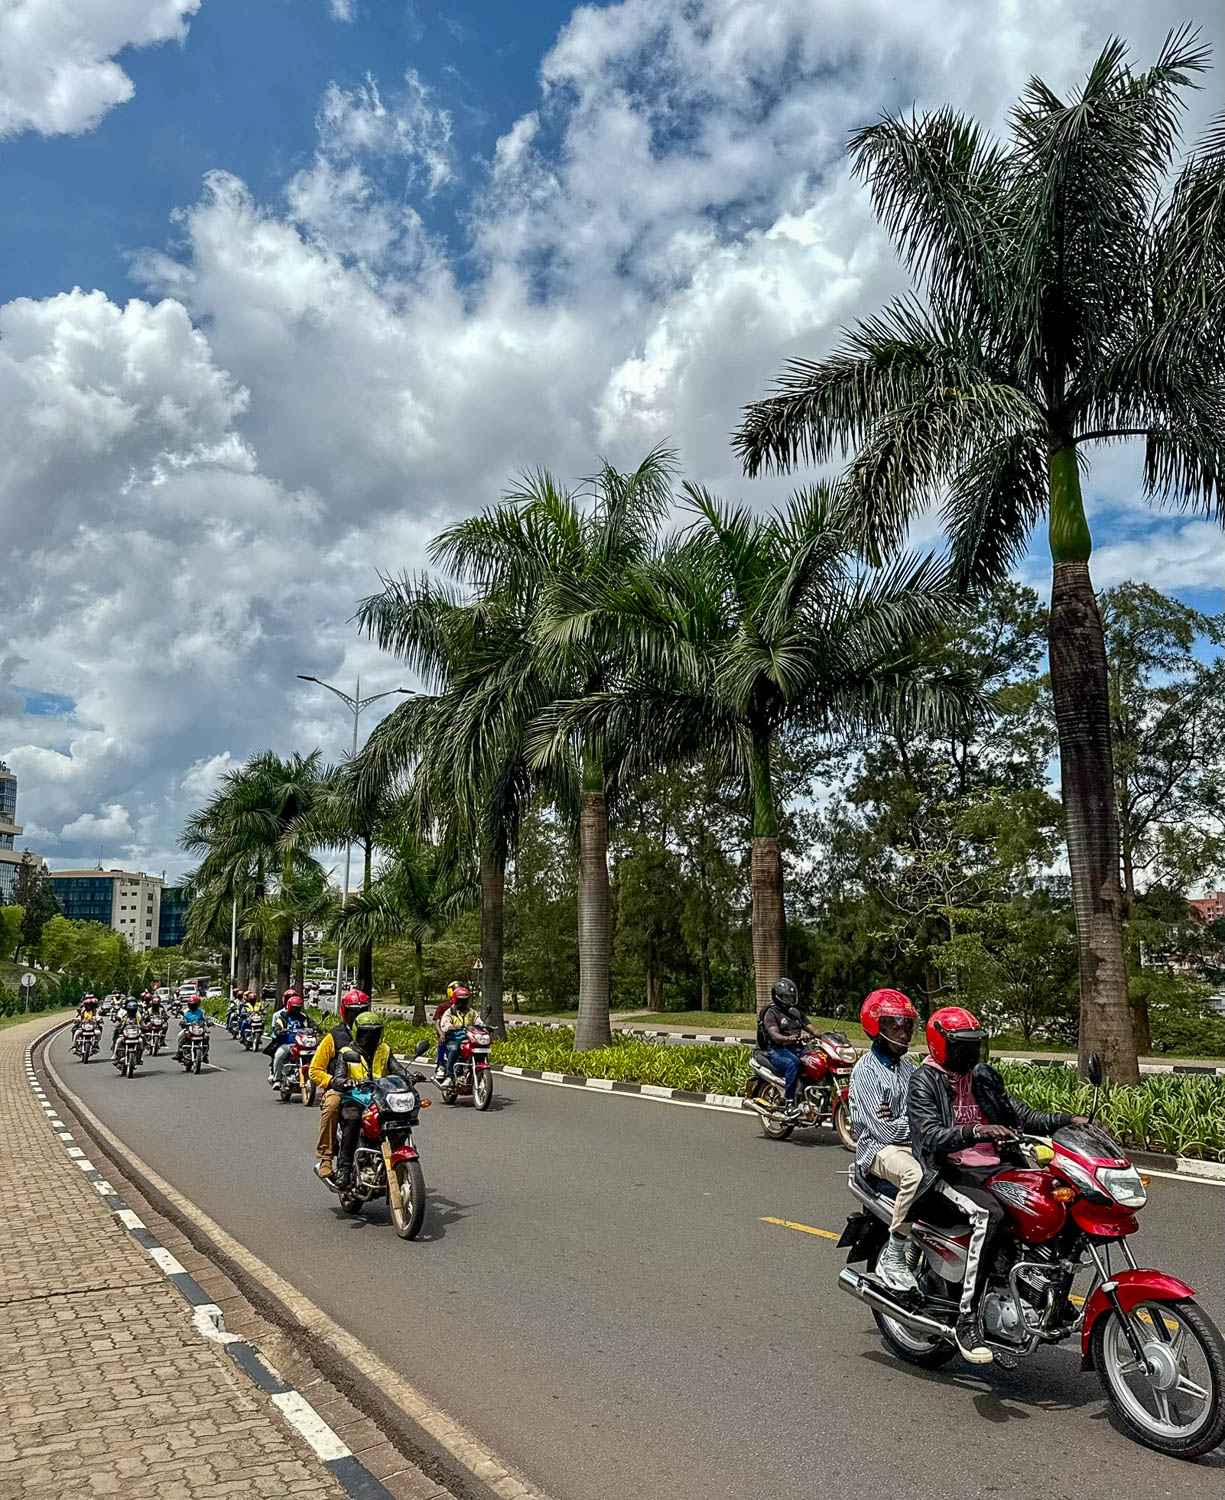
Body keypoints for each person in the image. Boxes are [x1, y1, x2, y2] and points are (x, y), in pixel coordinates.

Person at [908, 1005, 1085, 1365]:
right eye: (964, 1046)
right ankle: (967, 1317)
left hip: (996, 1166)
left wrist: (1069, 1121)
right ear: (941, 1046)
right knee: (989, 1214)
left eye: (976, 1045)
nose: (972, 1054)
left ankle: (1043, 1293)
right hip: (947, 1171)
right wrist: (975, 1131)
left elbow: (1021, 1114)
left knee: (1058, 1203)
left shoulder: (983, 1077)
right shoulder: (924, 1081)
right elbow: (929, 1135)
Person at [848, 988, 928, 1294]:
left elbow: (928, 1114)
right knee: (914, 1175)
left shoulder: (910, 1069)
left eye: (907, 1026)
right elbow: (886, 1133)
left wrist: (904, 1118)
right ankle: (894, 1254)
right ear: (875, 1027)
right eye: (895, 1026)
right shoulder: (866, 1072)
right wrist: (915, 1121)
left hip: (911, 1146)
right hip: (877, 1151)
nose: (904, 1033)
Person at [330, 1011, 408, 1189]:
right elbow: (337, 1079)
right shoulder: (347, 1052)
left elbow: (397, 1069)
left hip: (381, 1098)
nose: (370, 1038)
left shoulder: (384, 1050)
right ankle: (344, 1169)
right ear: (358, 1033)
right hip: (356, 1098)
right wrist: (348, 1082)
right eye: (366, 1034)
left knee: (402, 1117)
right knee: (352, 1119)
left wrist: (410, 1076)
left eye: (374, 1034)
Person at [309, 989, 371, 1181]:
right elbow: (314, 1070)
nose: (358, 1016)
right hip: (341, 1089)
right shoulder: (334, 1037)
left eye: (362, 1011)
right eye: (354, 1012)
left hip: (370, 1087)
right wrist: (334, 1082)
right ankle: (326, 1157)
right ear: (345, 1012)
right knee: (332, 1106)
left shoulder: (373, 1032)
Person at [756, 977, 807, 1120]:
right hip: (778, 1050)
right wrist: (787, 1038)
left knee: (815, 1059)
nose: (789, 1000)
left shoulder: (796, 1013)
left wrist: (828, 1036)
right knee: (793, 1064)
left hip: (797, 1048)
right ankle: (789, 1104)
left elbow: (812, 1028)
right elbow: (774, 1035)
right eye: (786, 997)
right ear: (778, 997)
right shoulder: (772, 1013)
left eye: (791, 997)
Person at [433, 981, 476, 1084]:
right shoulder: (446, 1009)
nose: (463, 1002)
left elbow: (478, 1021)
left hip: (466, 1036)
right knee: (452, 1047)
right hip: (451, 1036)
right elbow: (439, 1023)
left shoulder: (470, 1011)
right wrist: (443, 1032)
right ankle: (445, 1070)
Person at [265, 991, 307, 1084]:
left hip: (302, 1043)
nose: (296, 1010)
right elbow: (276, 1027)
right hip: (287, 1043)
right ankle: (277, 1078)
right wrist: (279, 1031)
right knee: (279, 1055)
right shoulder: (282, 1016)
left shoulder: (303, 1017)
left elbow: (311, 1024)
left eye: (298, 1008)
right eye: (294, 1008)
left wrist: (317, 1028)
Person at [175, 995, 210, 1065]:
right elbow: (183, 1019)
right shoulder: (186, 1012)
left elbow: (206, 1018)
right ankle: (179, 1052)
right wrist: (182, 1022)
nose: (192, 1006)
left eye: (194, 1004)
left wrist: (209, 1022)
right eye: (191, 1005)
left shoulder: (202, 1012)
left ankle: (205, 1054)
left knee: (206, 1037)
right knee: (180, 1036)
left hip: (199, 1029)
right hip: (189, 1029)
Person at [111, 997, 144, 1063]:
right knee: (118, 1040)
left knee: (141, 1041)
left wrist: (144, 1028)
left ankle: (139, 1057)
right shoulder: (125, 1016)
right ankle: (114, 1055)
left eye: (133, 1010)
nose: (132, 1012)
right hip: (125, 1034)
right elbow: (121, 1024)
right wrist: (119, 1029)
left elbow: (141, 1024)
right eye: (130, 1010)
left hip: (135, 1034)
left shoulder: (138, 1016)